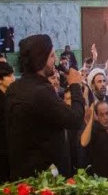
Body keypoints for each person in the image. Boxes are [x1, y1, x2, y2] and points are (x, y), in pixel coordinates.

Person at [6, 34, 85, 178]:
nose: (55, 60)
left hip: (23, 171)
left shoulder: (15, 88)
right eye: (52, 56)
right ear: (40, 59)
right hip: (44, 176)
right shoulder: (41, 91)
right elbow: (75, 119)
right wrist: (75, 85)